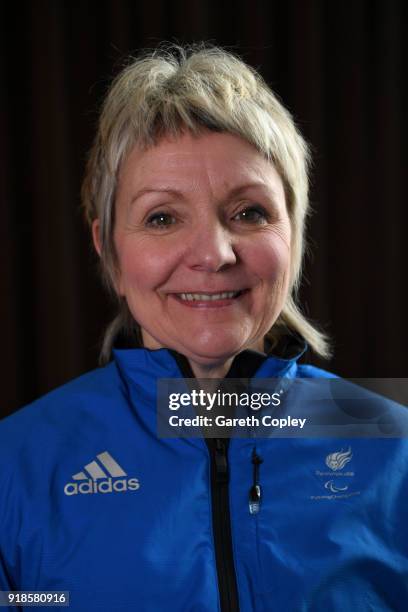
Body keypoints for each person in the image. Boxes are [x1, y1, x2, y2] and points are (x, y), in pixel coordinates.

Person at [1, 44, 407, 612]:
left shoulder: (397, 446)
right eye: (162, 217)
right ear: (108, 250)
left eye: (250, 212)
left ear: (293, 235)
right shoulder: (15, 465)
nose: (214, 254)